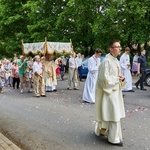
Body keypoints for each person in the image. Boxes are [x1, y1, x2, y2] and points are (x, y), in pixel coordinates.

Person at [95, 40, 125, 146]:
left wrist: (122, 78)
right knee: (114, 115)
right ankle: (113, 138)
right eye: (117, 47)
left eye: (120, 46)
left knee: (109, 113)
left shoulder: (115, 60)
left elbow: (116, 75)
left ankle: (100, 130)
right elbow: (104, 79)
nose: (119, 48)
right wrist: (117, 78)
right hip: (109, 92)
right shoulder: (106, 61)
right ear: (111, 49)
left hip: (116, 91)